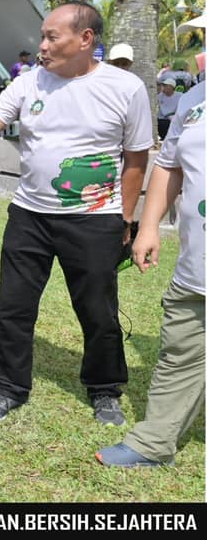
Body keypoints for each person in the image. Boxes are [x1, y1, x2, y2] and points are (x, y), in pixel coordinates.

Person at [0, 0, 152, 425]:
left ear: (86, 39)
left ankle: (105, 388)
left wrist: (124, 219)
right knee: (14, 308)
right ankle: (10, 388)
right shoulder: (30, 83)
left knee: (98, 311)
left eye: (52, 37)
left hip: (94, 220)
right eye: (42, 36)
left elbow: (136, 160)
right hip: (29, 216)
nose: (42, 46)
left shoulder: (125, 88)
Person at [96, 74, 205, 467]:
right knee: (180, 352)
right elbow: (169, 166)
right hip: (196, 269)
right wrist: (150, 225)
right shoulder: (195, 99)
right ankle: (154, 443)